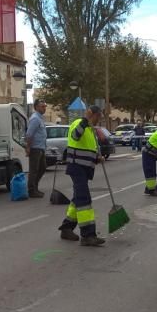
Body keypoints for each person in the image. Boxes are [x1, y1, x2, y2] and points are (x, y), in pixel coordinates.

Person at [57, 105, 105, 247]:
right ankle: (88, 235)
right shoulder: (79, 124)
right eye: (98, 117)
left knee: (78, 198)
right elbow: (75, 136)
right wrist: (86, 119)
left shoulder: (90, 130)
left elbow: (88, 148)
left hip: (84, 168)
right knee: (84, 199)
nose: (99, 120)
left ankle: (66, 228)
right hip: (76, 167)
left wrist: (97, 158)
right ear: (92, 115)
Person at [24, 99, 48, 198]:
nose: (44, 108)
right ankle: (31, 191)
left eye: (45, 106)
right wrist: (28, 147)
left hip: (41, 148)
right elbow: (29, 134)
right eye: (42, 106)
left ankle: (35, 187)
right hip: (35, 148)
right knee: (34, 170)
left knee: (42, 168)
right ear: (36, 107)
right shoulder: (35, 118)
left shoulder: (40, 118)